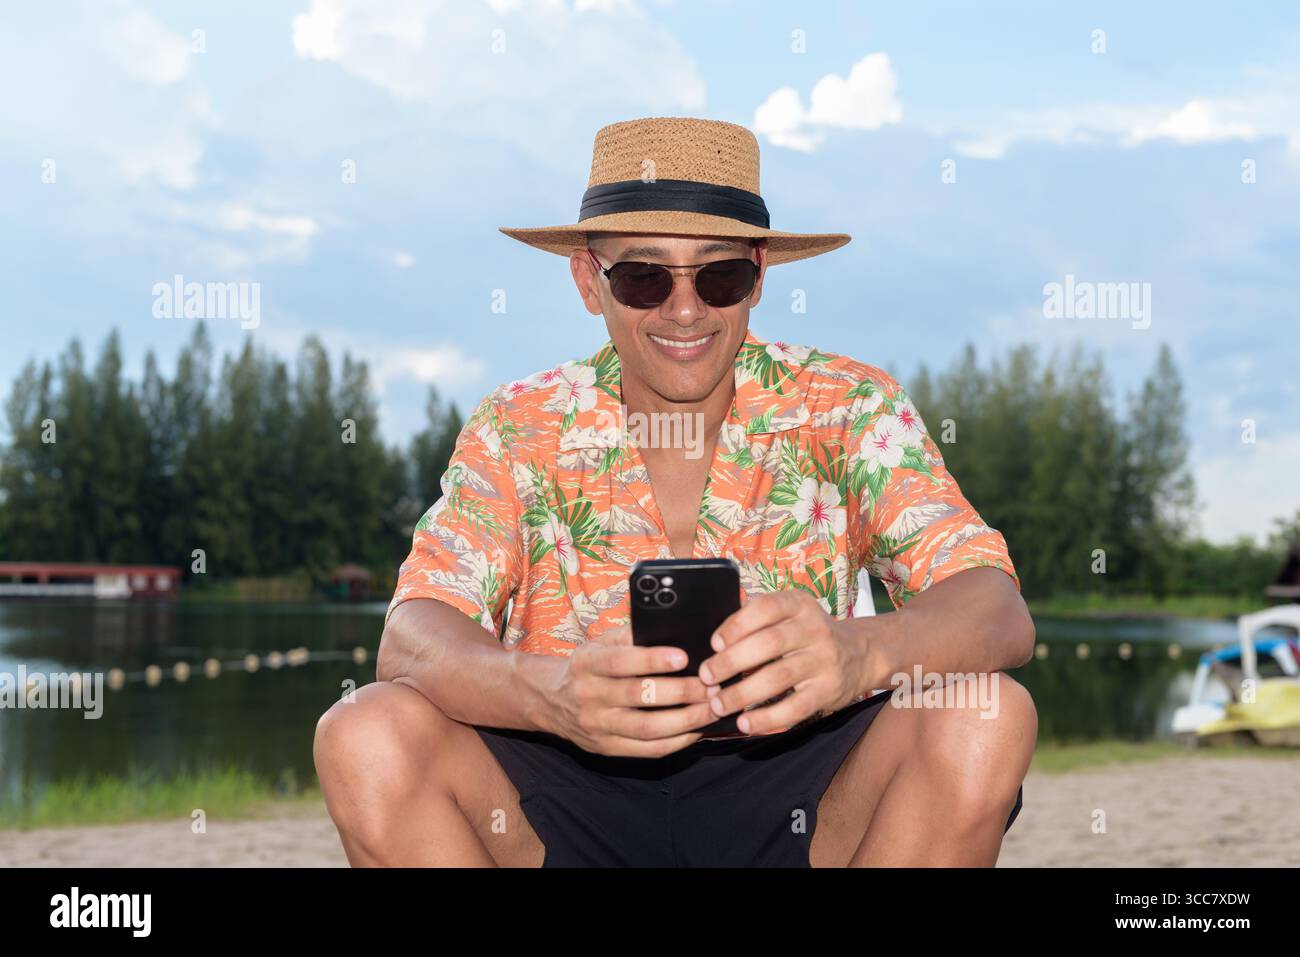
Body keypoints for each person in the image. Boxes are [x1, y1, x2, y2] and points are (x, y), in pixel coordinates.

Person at [314, 116, 1037, 867]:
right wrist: (551, 691)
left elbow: (995, 608)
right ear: (589, 282)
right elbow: (412, 636)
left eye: (719, 275)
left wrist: (859, 653)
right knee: (363, 732)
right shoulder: (515, 425)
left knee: (983, 713)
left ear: (761, 273)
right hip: (558, 786)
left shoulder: (849, 405)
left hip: (808, 792)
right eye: (643, 276)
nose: (685, 309)